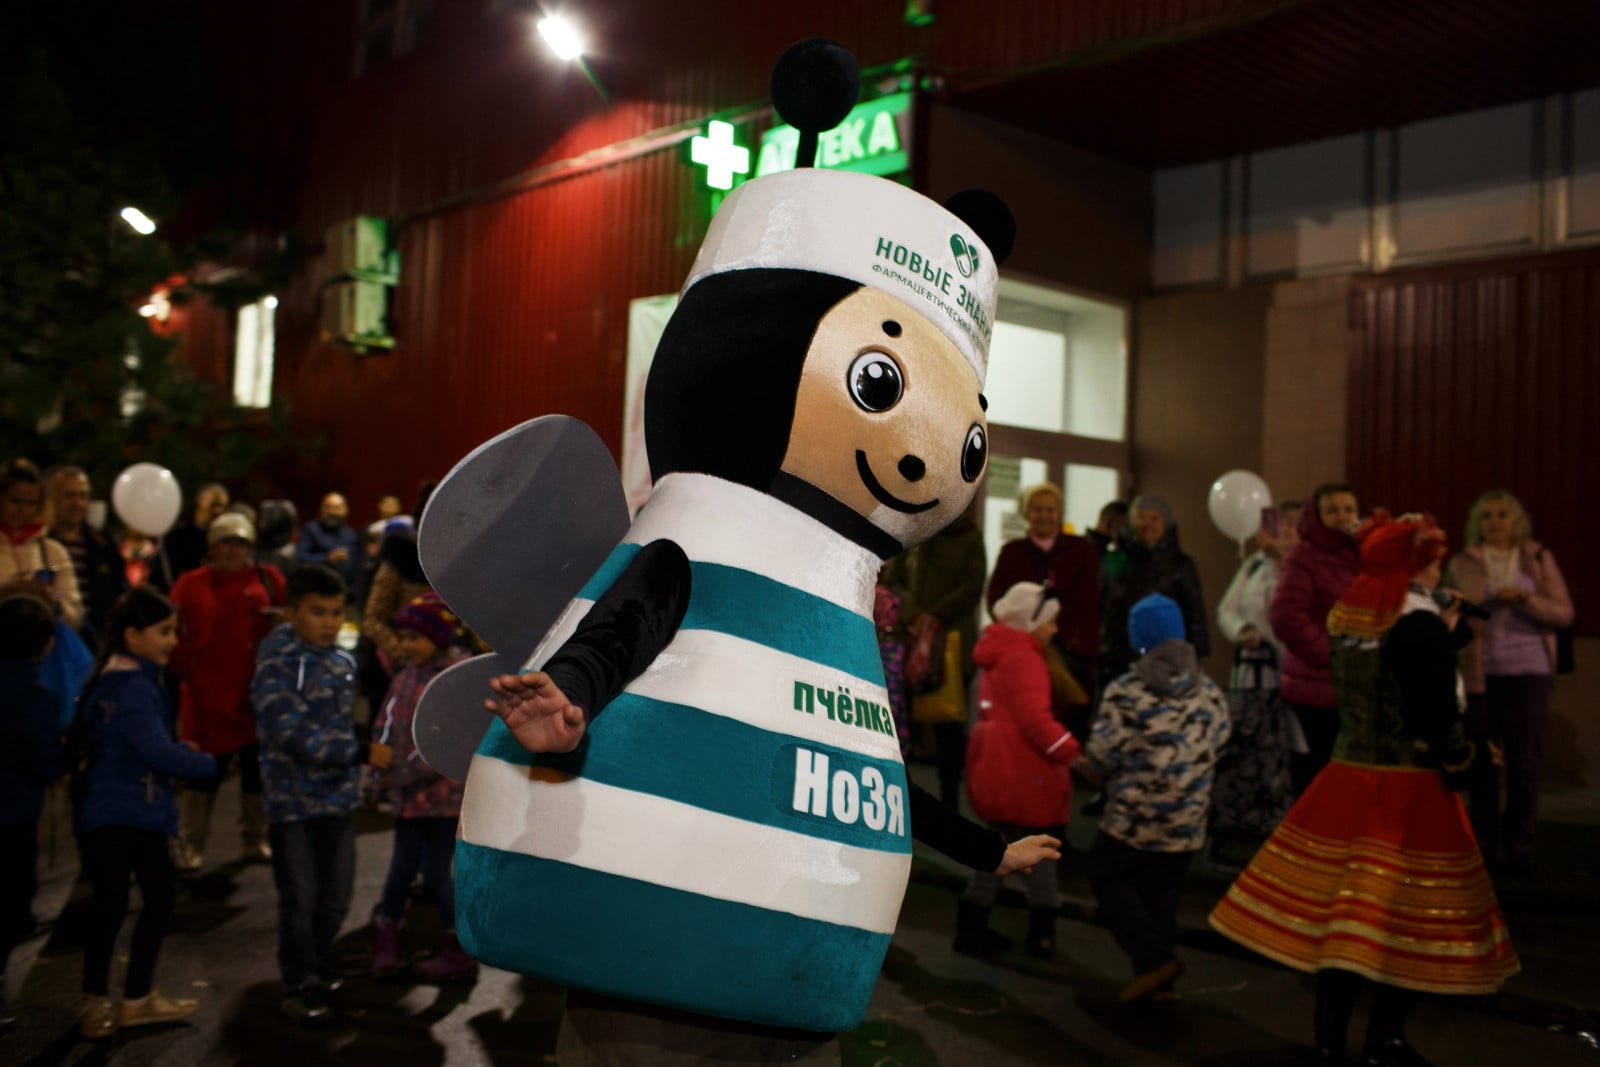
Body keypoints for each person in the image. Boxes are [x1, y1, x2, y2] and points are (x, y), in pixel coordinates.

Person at [1210, 514, 1519, 1065]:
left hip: (1348, 779)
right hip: (1408, 792)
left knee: (1346, 924)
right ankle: (1385, 1038)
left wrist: (1444, 631)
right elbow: (1431, 709)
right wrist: (1467, 759)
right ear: (1415, 565)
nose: (1438, 570)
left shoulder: (1354, 615)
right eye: (1431, 560)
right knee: (1406, 920)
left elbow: (1392, 674)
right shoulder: (1417, 624)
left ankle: (1329, 1041)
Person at [71, 587, 218, 1039]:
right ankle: (107, 1001)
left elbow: (140, 744)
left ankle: (125, 1000)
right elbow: (155, 752)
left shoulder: (124, 677)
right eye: (163, 631)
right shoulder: (134, 686)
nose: (173, 640)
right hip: (125, 812)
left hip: (121, 810)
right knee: (130, 905)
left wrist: (177, 750)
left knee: (130, 903)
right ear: (132, 636)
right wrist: (205, 763)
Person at [252, 564, 392, 1027]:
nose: (329, 622)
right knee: (300, 900)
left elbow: (345, 724)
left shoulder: (341, 662)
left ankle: (315, 964)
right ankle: (298, 983)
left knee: (335, 898)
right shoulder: (277, 664)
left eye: (336, 613)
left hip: (337, 802)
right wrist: (358, 753)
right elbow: (290, 734)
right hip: (293, 806)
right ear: (292, 611)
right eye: (318, 612)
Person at [1080, 593, 1230, 1003]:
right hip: (1189, 821)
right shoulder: (1209, 690)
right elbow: (1220, 743)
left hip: (1135, 819)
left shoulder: (1127, 691)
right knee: (1162, 896)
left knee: (1104, 873)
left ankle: (1153, 960)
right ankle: (1158, 980)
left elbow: (1102, 755)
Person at [1446, 490, 1574, 875]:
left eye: (1502, 514)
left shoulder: (1537, 557)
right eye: (1487, 516)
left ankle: (1520, 844)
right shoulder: (1464, 562)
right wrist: (1478, 601)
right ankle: (1483, 844)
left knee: (1524, 761)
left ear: (1516, 520)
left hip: (1529, 669)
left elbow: (1564, 613)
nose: (1495, 522)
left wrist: (1525, 599)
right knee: (1482, 762)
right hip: (1481, 672)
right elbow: (1450, 610)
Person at [957, 581, 1081, 961]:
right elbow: (1035, 722)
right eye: (1050, 621)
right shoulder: (1025, 657)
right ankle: (1042, 934)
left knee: (998, 849)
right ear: (1030, 621)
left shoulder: (997, 651)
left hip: (998, 765)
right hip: (1025, 770)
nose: (1055, 629)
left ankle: (971, 927)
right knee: (1041, 850)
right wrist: (1072, 752)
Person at [168, 512, 286, 869]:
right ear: (212, 546)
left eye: (240, 543)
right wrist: (185, 666)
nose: (233, 550)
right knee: (203, 774)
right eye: (226, 542)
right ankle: (191, 843)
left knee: (256, 772)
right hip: (206, 697)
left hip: (255, 695)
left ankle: (254, 838)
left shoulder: (268, 579)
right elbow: (173, 631)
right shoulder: (190, 584)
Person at [369, 593, 475, 982]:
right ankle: (388, 939)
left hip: (441, 800)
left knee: (435, 872)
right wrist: (376, 772)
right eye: (403, 637)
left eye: (415, 637)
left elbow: (442, 745)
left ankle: (458, 948)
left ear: (437, 637)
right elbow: (384, 723)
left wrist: (397, 777)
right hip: (408, 797)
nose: (406, 645)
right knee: (401, 869)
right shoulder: (404, 677)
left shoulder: (453, 682)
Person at [1209, 498, 1302, 866]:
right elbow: (1226, 609)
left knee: (1287, 755)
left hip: (1291, 673)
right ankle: (1239, 831)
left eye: (1295, 526)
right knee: (1247, 754)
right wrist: (1241, 629)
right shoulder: (1254, 565)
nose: (1288, 532)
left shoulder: (1304, 568)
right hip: (1252, 676)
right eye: (1284, 525)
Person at [880, 511, 985, 807]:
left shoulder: (969, 537)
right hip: (907, 643)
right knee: (902, 728)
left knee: (948, 731)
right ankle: (904, 803)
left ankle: (950, 805)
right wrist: (915, 614)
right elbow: (893, 579)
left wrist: (932, 616)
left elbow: (972, 588)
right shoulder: (913, 530)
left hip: (951, 645)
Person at [1270, 481, 1361, 795]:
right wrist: (1329, 652)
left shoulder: (1360, 555)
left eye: (1349, 509)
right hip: (1315, 684)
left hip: (1352, 686)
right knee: (1316, 778)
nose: (1342, 516)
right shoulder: (1304, 557)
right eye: (1333, 510)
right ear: (1317, 516)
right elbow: (1285, 615)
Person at [985, 482, 1101, 727]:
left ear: (1060, 513)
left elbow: (1090, 600)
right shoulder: (1012, 552)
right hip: (1022, 650)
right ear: (1026, 513)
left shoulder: (1081, 550)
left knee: (1068, 719)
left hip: (1071, 651)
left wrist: (1057, 628)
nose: (1044, 516)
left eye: (1050, 510)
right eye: (1037, 509)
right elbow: (996, 600)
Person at [0, 594, 64, 1030]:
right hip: (14, 814)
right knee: (10, 900)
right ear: (45, 645)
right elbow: (45, 762)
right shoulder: (37, 698)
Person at [1099, 495, 1208, 683]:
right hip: (1120, 657)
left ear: (1166, 524)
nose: (1147, 524)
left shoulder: (1181, 565)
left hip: (1169, 658)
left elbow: (1194, 612)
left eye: (1154, 518)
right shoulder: (1116, 560)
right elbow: (1103, 604)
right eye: (1142, 517)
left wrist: (1197, 654)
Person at [46, 465, 128, 652]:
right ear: (52, 498)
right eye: (69, 495)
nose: (77, 503)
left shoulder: (102, 544)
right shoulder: (41, 544)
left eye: (82, 496)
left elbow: (120, 591)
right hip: (54, 644)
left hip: (98, 645)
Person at [0, 458, 84, 632]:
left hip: (41, 643)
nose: (23, 510)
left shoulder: (53, 551)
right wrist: (7, 593)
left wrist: (52, 599)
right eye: (16, 501)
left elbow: (76, 616)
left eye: (31, 503)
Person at [155, 482, 229, 590]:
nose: (218, 511)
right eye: (214, 504)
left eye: (222, 506)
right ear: (199, 501)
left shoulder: (225, 539)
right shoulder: (177, 537)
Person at [295, 492, 360, 591]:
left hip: (345, 591)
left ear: (345, 510)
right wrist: (327, 559)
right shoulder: (311, 530)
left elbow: (356, 566)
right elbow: (301, 557)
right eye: (328, 507)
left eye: (337, 508)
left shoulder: (351, 534)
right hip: (315, 589)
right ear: (321, 509)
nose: (332, 512)